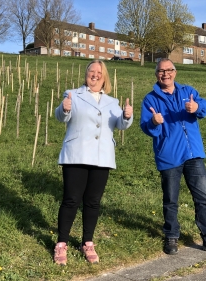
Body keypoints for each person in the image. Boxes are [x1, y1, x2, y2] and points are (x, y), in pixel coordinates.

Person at [140, 58, 206, 255]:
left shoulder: (187, 91)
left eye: (169, 70)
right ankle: (171, 236)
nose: (165, 74)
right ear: (156, 74)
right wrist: (154, 123)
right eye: (161, 71)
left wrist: (196, 108)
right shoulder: (150, 99)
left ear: (175, 72)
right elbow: (146, 127)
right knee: (171, 199)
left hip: (193, 154)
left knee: (203, 198)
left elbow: (203, 107)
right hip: (169, 156)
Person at [54, 60, 133, 265]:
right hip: (76, 155)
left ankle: (87, 242)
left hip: (102, 157)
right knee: (71, 199)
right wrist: (64, 109)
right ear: (86, 74)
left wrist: (126, 116)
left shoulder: (112, 102)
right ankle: (61, 243)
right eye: (92, 71)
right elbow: (62, 117)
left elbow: (120, 125)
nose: (95, 75)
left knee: (93, 202)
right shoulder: (73, 94)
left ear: (104, 77)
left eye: (99, 72)